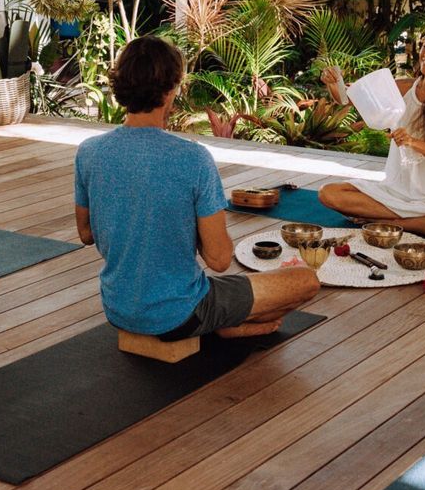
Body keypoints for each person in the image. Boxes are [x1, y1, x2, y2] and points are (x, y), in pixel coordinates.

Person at [74, 36, 319, 340]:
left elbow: (85, 234)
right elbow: (218, 260)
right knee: (305, 280)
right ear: (170, 91)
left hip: (117, 309)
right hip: (181, 313)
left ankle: (223, 323)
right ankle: (220, 325)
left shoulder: (88, 151)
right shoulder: (193, 158)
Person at [317, 23, 425, 240]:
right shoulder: (403, 87)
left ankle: (390, 223)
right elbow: (348, 100)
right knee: (328, 193)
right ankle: (416, 222)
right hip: (397, 192)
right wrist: (334, 83)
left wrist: (412, 142)